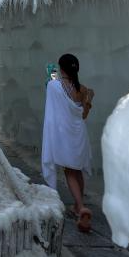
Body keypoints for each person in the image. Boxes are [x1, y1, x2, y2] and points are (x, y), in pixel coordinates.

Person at [41, 53, 95, 232]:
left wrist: (51, 76)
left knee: (69, 171)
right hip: (79, 135)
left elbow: (51, 89)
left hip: (64, 135)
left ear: (61, 68)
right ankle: (79, 204)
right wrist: (89, 100)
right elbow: (84, 115)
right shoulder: (83, 90)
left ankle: (80, 207)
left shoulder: (53, 86)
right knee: (76, 169)